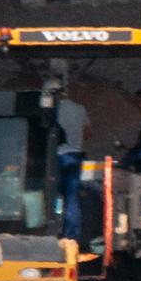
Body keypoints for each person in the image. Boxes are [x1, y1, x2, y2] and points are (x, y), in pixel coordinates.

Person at [50, 74, 88, 242]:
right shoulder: (80, 109)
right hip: (75, 157)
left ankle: (53, 230)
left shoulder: (52, 110)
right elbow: (88, 133)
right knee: (72, 197)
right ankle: (71, 235)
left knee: (54, 195)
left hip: (56, 157)